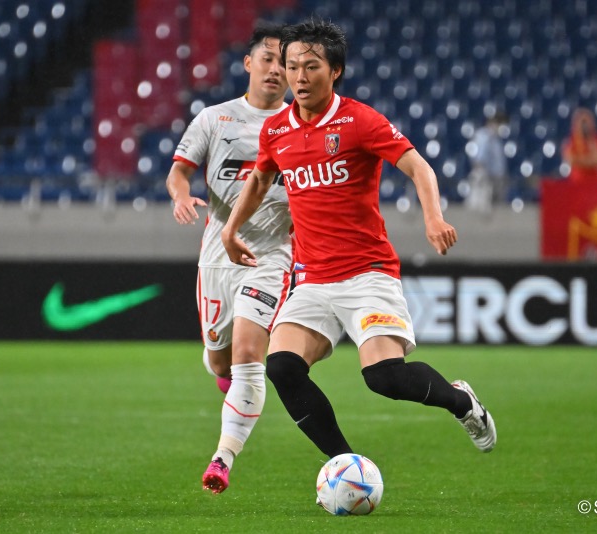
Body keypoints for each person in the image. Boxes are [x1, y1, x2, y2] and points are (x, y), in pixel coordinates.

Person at [221, 18, 496, 463]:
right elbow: (258, 181)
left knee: (384, 378)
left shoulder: (358, 121)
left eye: (311, 66)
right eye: (292, 66)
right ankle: (345, 465)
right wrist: (231, 230)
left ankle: (461, 401)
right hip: (311, 280)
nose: (298, 77)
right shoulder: (277, 130)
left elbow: (418, 167)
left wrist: (433, 218)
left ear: (335, 71)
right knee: (283, 367)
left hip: (367, 274)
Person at [165, 23, 291, 494]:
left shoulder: (299, 124)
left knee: (248, 357)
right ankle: (227, 378)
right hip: (217, 259)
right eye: (269, 59)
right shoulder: (215, 119)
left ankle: (223, 458)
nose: (277, 69)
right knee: (221, 363)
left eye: (285, 62)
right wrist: (180, 196)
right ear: (248, 63)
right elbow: (179, 173)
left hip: (271, 256)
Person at [465, 109, 508, 213]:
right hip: (482, 173)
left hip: (494, 177)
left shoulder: (496, 139)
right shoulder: (483, 136)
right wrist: (480, 168)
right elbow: (478, 154)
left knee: (491, 207)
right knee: (477, 204)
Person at [561, 107, 597, 185]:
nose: (584, 126)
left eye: (587, 122)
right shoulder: (570, 141)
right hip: (576, 182)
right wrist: (588, 161)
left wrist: (590, 140)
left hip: (595, 182)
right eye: (582, 122)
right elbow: (571, 160)